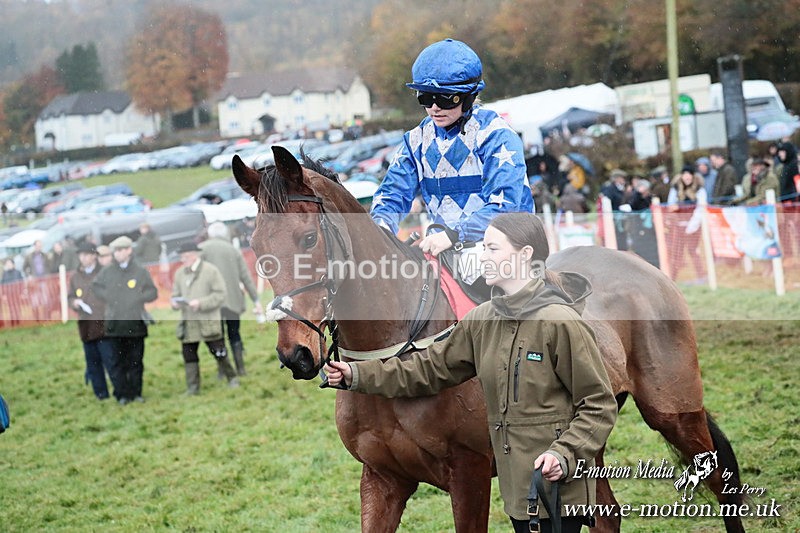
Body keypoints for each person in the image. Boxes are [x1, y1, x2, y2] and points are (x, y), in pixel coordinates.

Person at [324, 212, 617, 533]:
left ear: (525, 255)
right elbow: (428, 368)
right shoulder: (481, 320)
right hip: (521, 494)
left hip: (558, 486)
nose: (482, 257)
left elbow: (598, 405)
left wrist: (563, 454)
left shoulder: (560, 322)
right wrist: (357, 375)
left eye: (492, 249)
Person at [369, 38, 533, 286]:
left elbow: (505, 207)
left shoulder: (496, 135)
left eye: (445, 99)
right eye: (425, 98)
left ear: (469, 96)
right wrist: (379, 234)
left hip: (507, 249)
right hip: (444, 253)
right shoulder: (416, 141)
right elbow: (391, 195)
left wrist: (455, 234)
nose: (434, 108)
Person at [93, 236, 158, 405]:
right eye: (115, 251)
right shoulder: (107, 272)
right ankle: (122, 394)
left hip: (135, 324)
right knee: (116, 363)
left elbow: (152, 292)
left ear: (129, 250)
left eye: (120, 250)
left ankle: (136, 392)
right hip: (114, 325)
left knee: (135, 362)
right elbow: (96, 287)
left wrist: (137, 298)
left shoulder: (140, 272)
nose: (117, 254)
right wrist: (108, 297)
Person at [171, 241, 239, 394]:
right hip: (189, 322)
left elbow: (220, 295)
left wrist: (201, 303)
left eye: (186, 256)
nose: (183, 260)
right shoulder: (179, 273)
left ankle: (232, 378)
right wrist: (175, 303)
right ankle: (193, 388)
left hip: (209, 321)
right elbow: (175, 295)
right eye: (182, 257)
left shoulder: (211, 271)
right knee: (189, 355)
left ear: (195, 255)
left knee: (219, 352)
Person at [199, 222, 262, 376]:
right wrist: (256, 300)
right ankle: (241, 369)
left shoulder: (201, 249)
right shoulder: (233, 250)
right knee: (235, 334)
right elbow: (246, 277)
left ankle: (224, 370)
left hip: (212, 302)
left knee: (217, 336)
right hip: (233, 301)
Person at [67, 242, 119, 400]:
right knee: (93, 363)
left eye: (86, 254)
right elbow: (70, 297)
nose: (83, 258)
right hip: (86, 326)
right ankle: (101, 394)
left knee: (111, 360)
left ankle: (119, 391)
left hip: (104, 324)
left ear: (94, 256)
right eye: (80, 255)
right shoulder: (75, 277)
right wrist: (74, 302)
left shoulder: (105, 273)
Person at [666, 166, 706, 282]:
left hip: (693, 226)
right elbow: (671, 205)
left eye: (689, 174)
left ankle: (700, 276)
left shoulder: (699, 189)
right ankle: (672, 279)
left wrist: (691, 225)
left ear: (693, 176)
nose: (687, 177)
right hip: (678, 226)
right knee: (677, 252)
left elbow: (700, 208)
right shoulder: (675, 188)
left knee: (693, 251)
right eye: (685, 174)